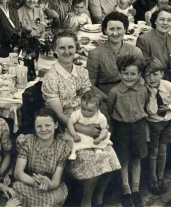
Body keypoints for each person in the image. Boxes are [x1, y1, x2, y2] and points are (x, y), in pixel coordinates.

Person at [42, 29, 121, 207]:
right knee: (89, 159)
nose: (67, 52)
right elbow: (58, 114)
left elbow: (90, 100)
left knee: (109, 154)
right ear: (55, 50)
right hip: (66, 127)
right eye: (62, 48)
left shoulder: (81, 71)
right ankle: (86, 200)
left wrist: (96, 122)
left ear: (76, 48)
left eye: (71, 47)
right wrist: (84, 129)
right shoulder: (51, 77)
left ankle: (97, 196)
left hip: (88, 118)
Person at [108, 55, 149, 207]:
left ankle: (136, 189)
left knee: (137, 158)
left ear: (139, 75)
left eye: (133, 74)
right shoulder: (115, 92)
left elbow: (144, 106)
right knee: (123, 159)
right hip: (121, 128)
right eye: (125, 73)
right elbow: (110, 109)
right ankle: (126, 189)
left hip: (138, 126)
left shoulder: (143, 90)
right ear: (120, 74)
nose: (129, 77)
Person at [13, 108, 72, 207]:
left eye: (48, 125)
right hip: (29, 183)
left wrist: (48, 185)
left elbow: (56, 181)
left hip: (52, 187)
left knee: (48, 200)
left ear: (56, 125)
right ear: (35, 127)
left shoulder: (62, 147)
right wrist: (35, 183)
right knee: (16, 186)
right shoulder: (27, 141)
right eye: (39, 126)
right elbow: (18, 173)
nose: (43, 129)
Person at [144, 58, 171, 195]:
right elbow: (152, 111)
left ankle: (160, 177)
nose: (151, 78)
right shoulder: (144, 90)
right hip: (153, 124)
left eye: (155, 74)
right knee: (153, 153)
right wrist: (153, 96)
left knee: (162, 151)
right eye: (147, 75)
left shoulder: (168, 86)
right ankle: (152, 179)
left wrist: (169, 107)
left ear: (162, 73)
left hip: (167, 122)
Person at [87, 12, 143, 99]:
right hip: (105, 96)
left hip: (132, 94)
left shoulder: (135, 51)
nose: (115, 33)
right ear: (105, 30)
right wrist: (108, 100)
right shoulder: (95, 54)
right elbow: (91, 84)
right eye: (111, 29)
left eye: (119, 29)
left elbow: (140, 78)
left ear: (125, 29)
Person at [67, 90, 112, 160]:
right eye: (83, 109)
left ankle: (98, 152)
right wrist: (74, 135)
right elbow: (70, 123)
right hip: (80, 134)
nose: (85, 112)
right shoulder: (77, 113)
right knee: (74, 142)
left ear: (98, 108)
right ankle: (73, 153)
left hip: (94, 136)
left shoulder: (101, 117)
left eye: (89, 111)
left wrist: (100, 138)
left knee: (99, 142)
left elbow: (104, 129)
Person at [137, 7, 171, 76]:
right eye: (162, 19)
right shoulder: (144, 39)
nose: (165, 23)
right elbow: (143, 68)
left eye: (169, 20)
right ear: (155, 21)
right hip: (152, 79)